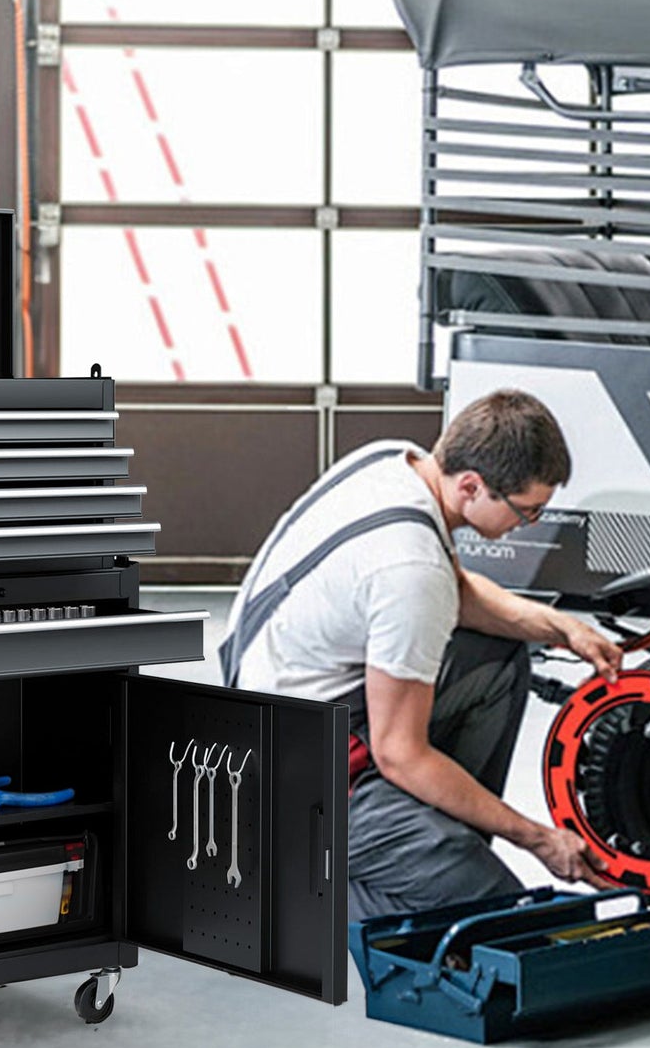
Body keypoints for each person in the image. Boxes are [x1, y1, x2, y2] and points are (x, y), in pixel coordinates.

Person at [218, 388, 622, 919]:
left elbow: (454, 590)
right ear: (472, 486)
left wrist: (559, 628)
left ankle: (420, 836)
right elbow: (398, 752)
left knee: (499, 662)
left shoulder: (394, 461)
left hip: (275, 696)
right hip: (293, 768)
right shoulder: (409, 570)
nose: (527, 526)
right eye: (526, 512)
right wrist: (537, 838)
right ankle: (291, 875)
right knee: (492, 908)